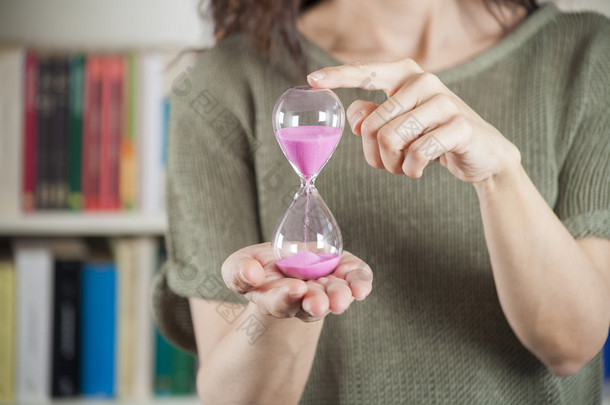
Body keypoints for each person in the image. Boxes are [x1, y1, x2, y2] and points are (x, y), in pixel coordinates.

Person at [152, 0, 610, 403]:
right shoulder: (226, 80)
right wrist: (280, 310)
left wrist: (499, 175)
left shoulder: (584, 54)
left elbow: (570, 347)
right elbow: (237, 400)